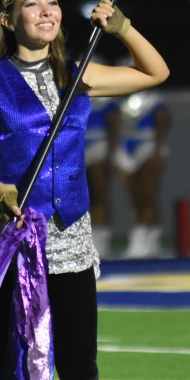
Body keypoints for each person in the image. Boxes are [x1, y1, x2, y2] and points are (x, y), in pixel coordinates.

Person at [0, 0, 169, 380]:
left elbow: (155, 72)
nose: (47, 12)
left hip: (71, 242)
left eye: (52, 3)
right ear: (8, 20)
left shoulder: (77, 72)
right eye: (32, 5)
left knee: (80, 372)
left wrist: (123, 28)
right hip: (11, 238)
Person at [116, 88, 170, 258]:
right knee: (135, 198)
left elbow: (161, 126)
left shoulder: (155, 100)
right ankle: (138, 240)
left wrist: (159, 152)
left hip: (147, 145)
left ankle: (152, 240)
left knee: (148, 196)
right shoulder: (120, 101)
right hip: (127, 148)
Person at [85, 54, 120, 257]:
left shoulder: (107, 97)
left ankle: (103, 239)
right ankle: (92, 238)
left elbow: (113, 130)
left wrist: (111, 156)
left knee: (101, 195)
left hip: (99, 145)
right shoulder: (78, 93)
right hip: (82, 147)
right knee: (88, 196)